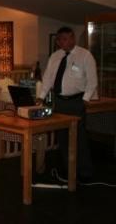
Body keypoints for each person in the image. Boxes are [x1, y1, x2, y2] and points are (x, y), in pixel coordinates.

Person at [37, 26, 97, 181]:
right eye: (63, 39)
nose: (66, 41)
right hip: (59, 102)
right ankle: (69, 170)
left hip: (76, 102)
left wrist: (85, 100)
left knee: (79, 138)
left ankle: (85, 172)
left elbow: (92, 81)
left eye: (69, 38)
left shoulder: (85, 55)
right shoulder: (55, 56)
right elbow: (48, 79)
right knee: (62, 137)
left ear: (73, 38)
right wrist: (41, 97)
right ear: (58, 41)